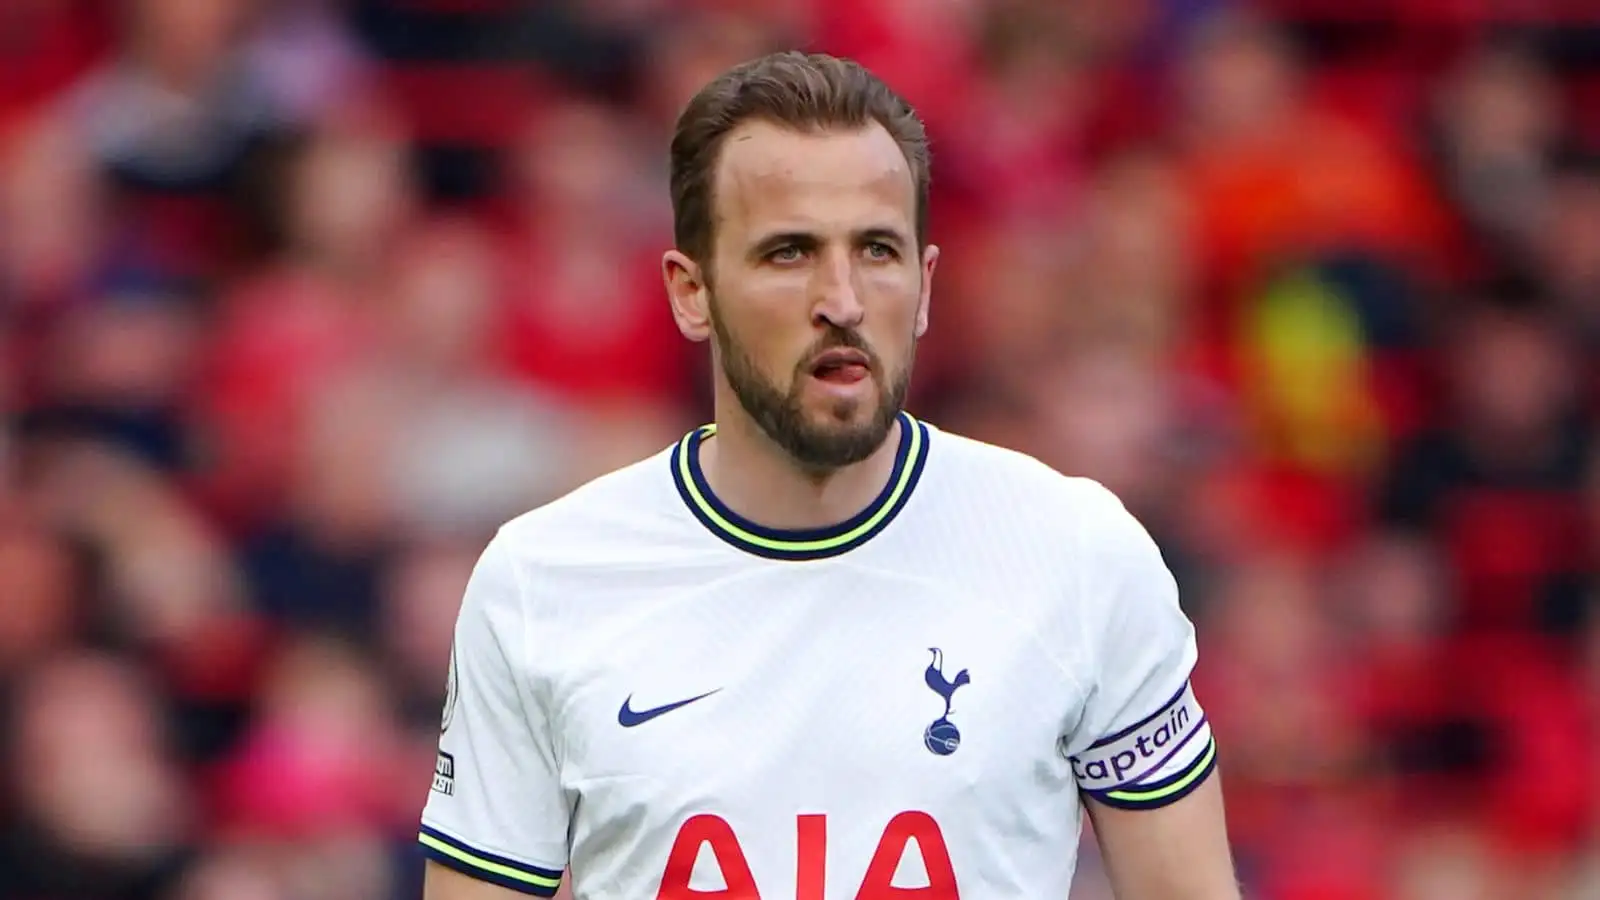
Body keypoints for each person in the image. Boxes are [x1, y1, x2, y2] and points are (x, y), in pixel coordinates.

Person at [418, 51, 1240, 899]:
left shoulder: (1078, 556)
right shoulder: (541, 582)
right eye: (789, 253)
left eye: (877, 249)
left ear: (923, 285)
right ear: (690, 291)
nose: (842, 298)